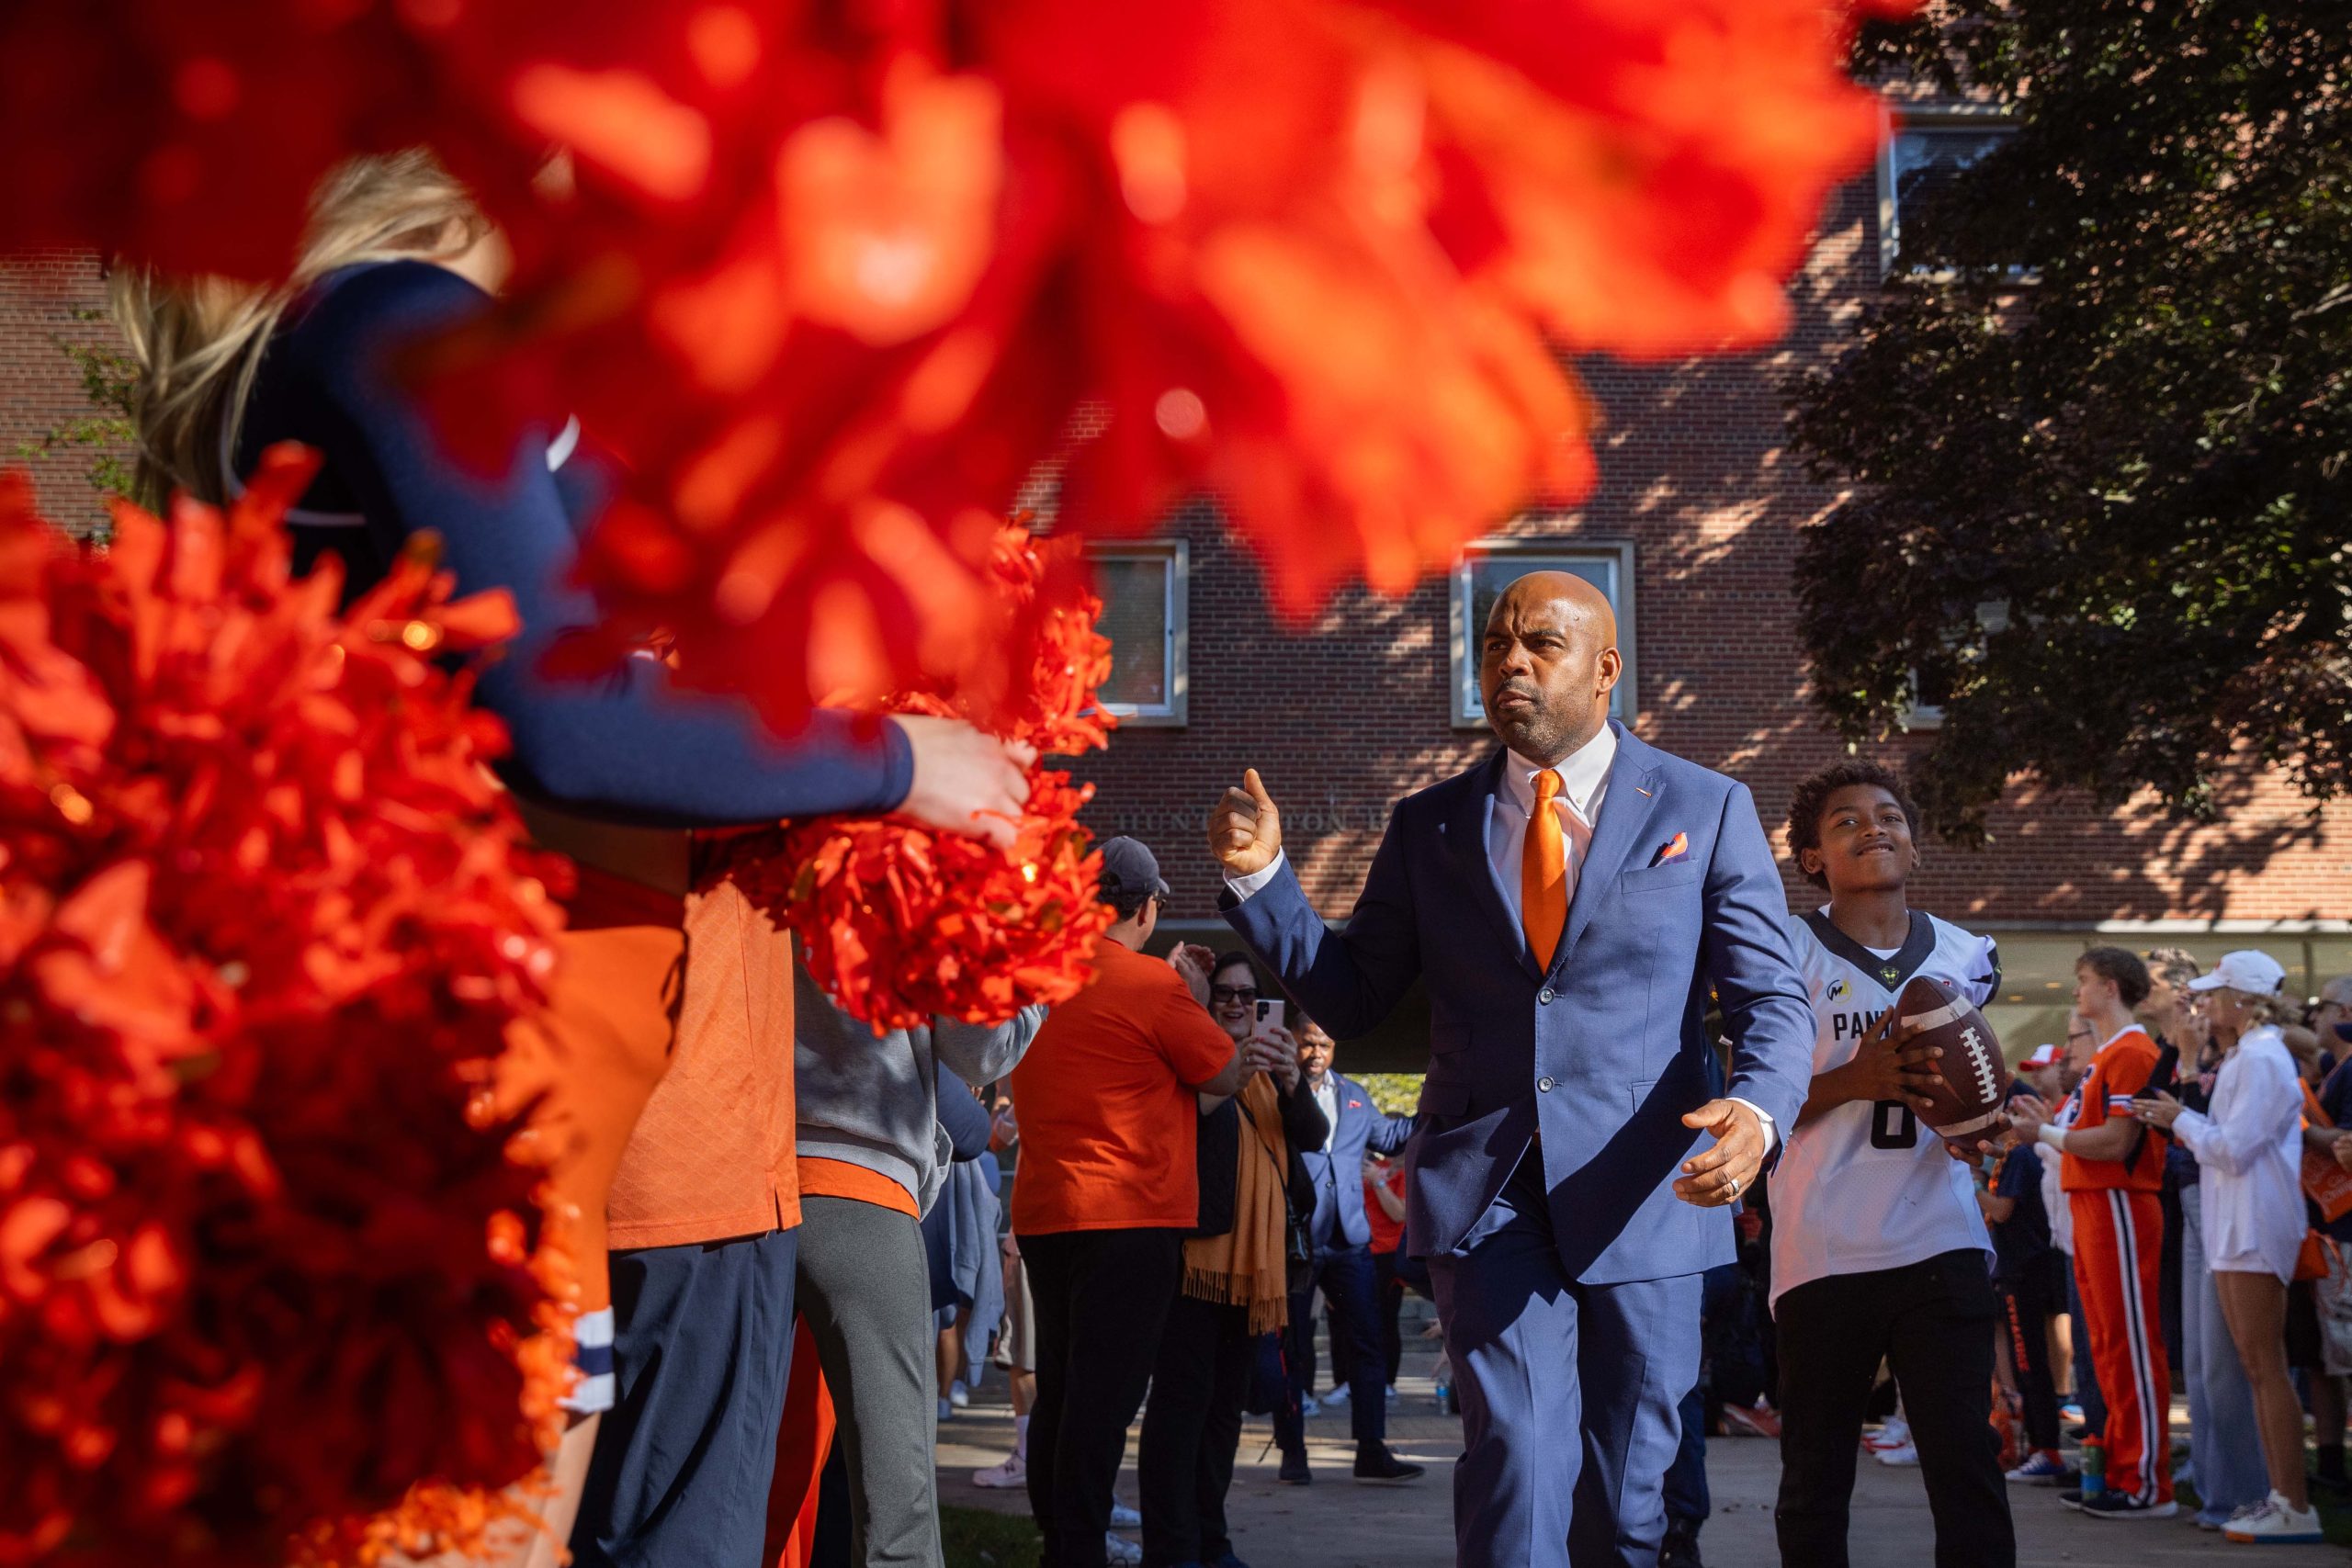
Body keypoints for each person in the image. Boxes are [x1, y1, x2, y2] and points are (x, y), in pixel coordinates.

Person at [110, 149, 1031, 1568]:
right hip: (470, 1087)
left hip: (547, 1089)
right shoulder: (395, 314)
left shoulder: (386, 327)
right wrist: (903, 765)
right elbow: (562, 716)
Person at [1209, 571, 1813, 1567]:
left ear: (1605, 669)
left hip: (1647, 1190)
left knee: (1627, 1496)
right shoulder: (1429, 825)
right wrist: (1264, 883)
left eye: (1540, 642)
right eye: (1494, 643)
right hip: (1485, 1189)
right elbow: (1356, 997)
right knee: (1516, 1466)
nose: (1510, 662)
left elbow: (1769, 1001)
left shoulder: (1707, 808)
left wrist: (1755, 1111)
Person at [1763, 761, 2014, 1568]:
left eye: (1890, 816)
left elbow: (1967, 1092)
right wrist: (1853, 1079)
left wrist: (1984, 1123)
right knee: (1814, 1477)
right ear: (1812, 859)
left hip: (1940, 1236)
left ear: (1916, 844)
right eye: (1846, 821)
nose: (1874, 827)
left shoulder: (1968, 952)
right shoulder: (1781, 951)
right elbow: (1750, 1097)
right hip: (1823, 1243)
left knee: (1967, 1467)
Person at [1009, 839, 1248, 1568]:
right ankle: (1075, 1549)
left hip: (1047, 1212)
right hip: (1131, 1214)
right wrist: (1191, 997)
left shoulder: (1036, 979)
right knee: (1104, 1400)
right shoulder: (1150, 985)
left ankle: (1060, 1538)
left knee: (1062, 1385)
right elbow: (1228, 1073)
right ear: (1146, 908)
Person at [775, 970, 1043, 1568]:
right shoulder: (918, 875)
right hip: (861, 1175)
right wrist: (1044, 967)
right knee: (898, 1516)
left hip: (746, 1177)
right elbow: (983, 1046)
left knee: (751, 1485)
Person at [1137, 951, 1327, 1568]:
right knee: (1179, 1414)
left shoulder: (1275, 1067)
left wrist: (1293, 1084)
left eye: (1249, 995)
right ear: (1208, 998)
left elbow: (1313, 1136)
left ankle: (1211, 1541)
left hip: (1257, 1267)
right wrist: (1228, 1069)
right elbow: (1174, 1128)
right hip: (1195, 1262)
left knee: (1221, 1417)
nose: (1239, 1004)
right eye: (1226, 993)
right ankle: (1172, 1549)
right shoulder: (1189, 1053)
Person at [2134, 951, 2323, 1542]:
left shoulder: (2263, 1057)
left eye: (2215, 993)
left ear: (2244, 1001)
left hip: (2253, 1225)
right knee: (2256, 1366)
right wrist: (2185, 1119)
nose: (2204, 1002)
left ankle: (2292, 1501)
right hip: (2237, 1225)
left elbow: (2232, 1146)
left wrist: (2177, 1119)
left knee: (2263, 1367)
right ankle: (2281, 1498)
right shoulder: (2251, 1054)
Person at [2010, 948, 2174, 1519]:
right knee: (2103, 1347)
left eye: (2083, 982)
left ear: (2109, 987)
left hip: (2120, 1203)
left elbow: (2115, 1142)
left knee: (2128, 1343)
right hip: (2093, 1205)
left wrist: (2045, 1135)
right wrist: (2045, 1131)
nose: (2076, 993)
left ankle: (2148, 1480)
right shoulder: (2111, 1053)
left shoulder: (2131, 1050)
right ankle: (2116, 1469)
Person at [1272, 1018, 1424, 1485]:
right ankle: (1292, 1451)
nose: (1316, 1052)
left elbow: (1392, 1138)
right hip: (1296, 1239)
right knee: (1293, 1349)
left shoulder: (1355, 1095)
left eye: (1325, 1044)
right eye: (1307, 1043)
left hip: (1351, 1242)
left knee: (1369, 1342)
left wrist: (1438, 1104)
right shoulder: (1274, 1090)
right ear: (1293, 1044)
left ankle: (1371, 1449)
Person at [1982, 1080, 2068, 1486]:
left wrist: (1964, 1183)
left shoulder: (2022, 1155)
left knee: (2029, 1362)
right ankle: (2039, 1447)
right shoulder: (2014, 1153)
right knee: (2025, 1361)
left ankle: (2045, 1448)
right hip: (2021, 1268)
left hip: (2025, 1269)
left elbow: (2001, 1211)